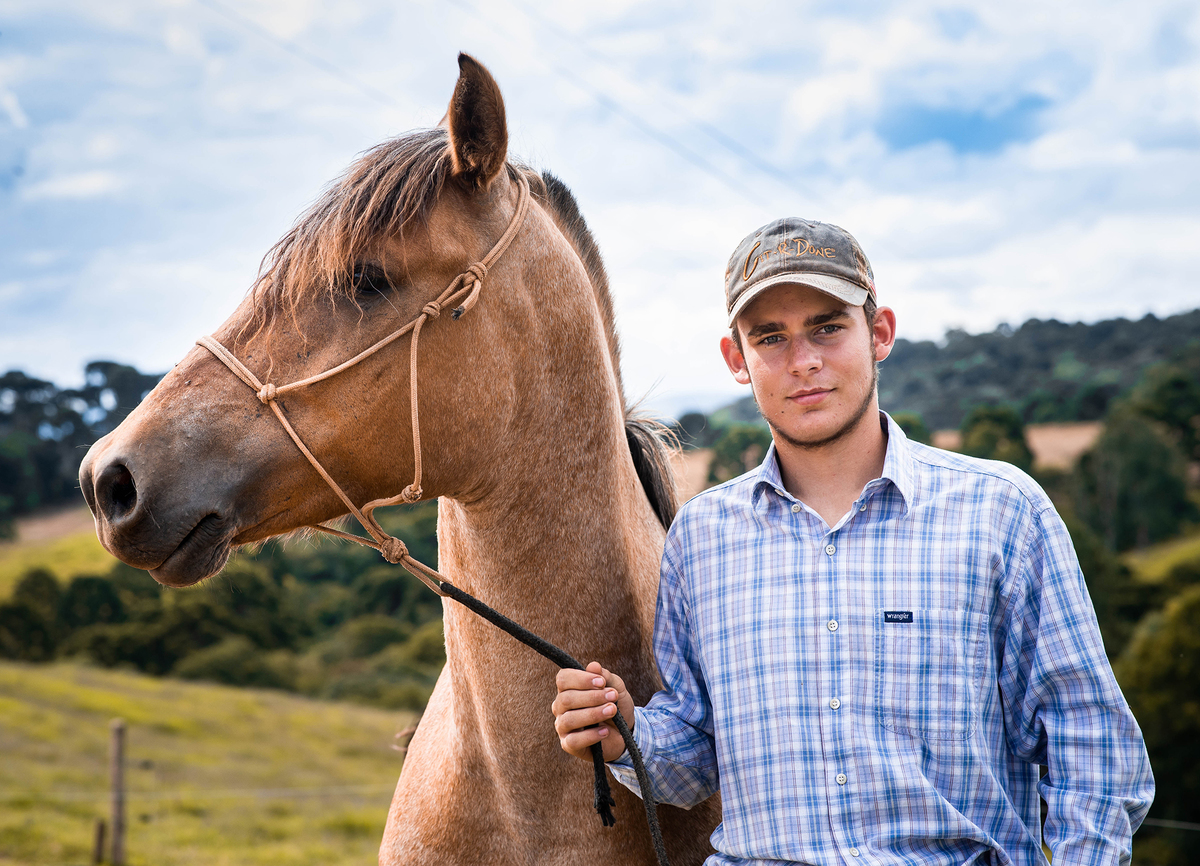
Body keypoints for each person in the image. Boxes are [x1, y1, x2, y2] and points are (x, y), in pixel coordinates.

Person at [552, 218, 1154, 865]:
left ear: (880, 332)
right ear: (737, 359)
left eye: (828, 327)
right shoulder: (703, 541)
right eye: (771, 337)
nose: (804, 360)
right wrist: (626, 734)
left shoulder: (1002, 514)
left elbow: (1092, 747)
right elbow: (696, 752)